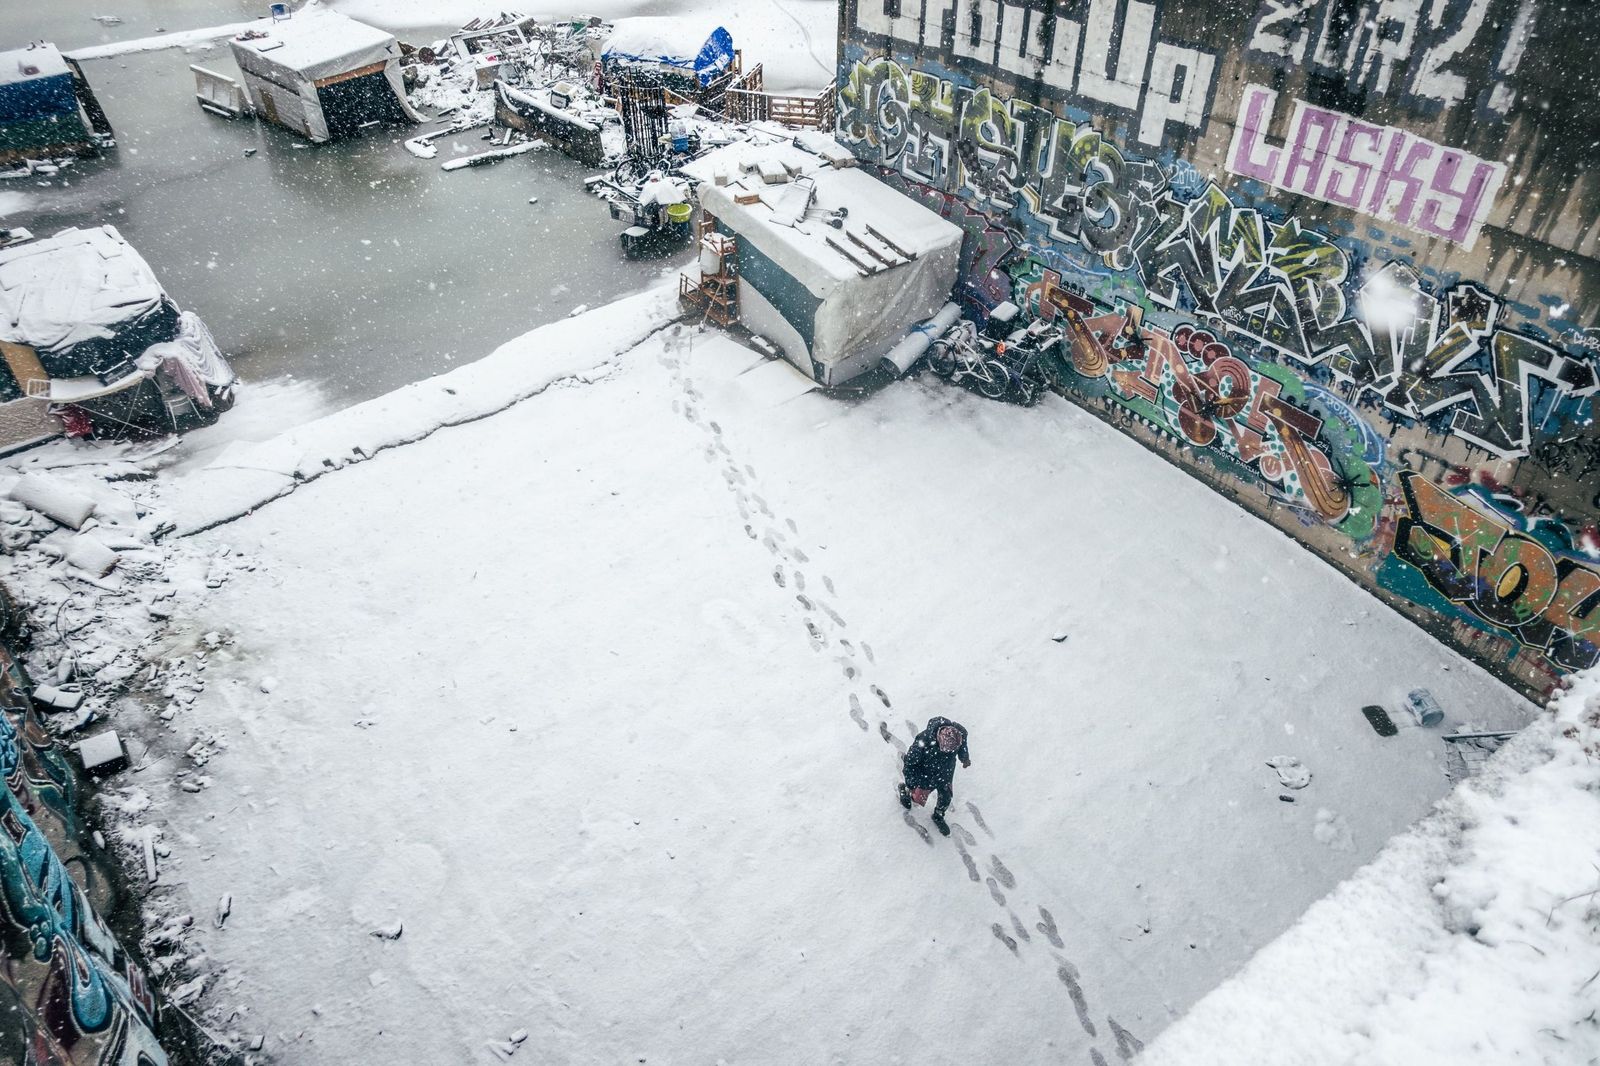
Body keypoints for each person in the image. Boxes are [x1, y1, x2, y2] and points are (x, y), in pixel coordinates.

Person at [897, 717, 970, 836]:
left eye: (952, 751)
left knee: (946, 797)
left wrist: (964, 758)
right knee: (918, 798)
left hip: (945, 772)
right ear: (940, 740)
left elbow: (963, 747)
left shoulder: (960, 734)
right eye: (947, 750)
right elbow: (910, 764)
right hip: (926, 773)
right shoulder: (923, 741)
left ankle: (938, 815)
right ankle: (905, 790)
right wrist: (911, 784)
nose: (949, 753)